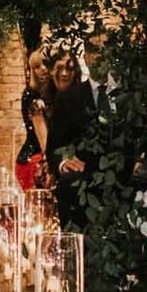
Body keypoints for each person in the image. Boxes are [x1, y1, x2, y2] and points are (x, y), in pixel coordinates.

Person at [45, 45, 95, 230]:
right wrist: (63, 163)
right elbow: (53, 148)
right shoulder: (67, 98)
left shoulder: (127, 95)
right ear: (87, 56)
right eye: (95, 49)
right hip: (77, 187)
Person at [14, 46, 53, 191]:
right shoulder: (31, 94)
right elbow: (41, 136)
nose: (42, 69)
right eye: (37, 67)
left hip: (39, 158)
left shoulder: (51, 93)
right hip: (33, 160)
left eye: (45, 64)